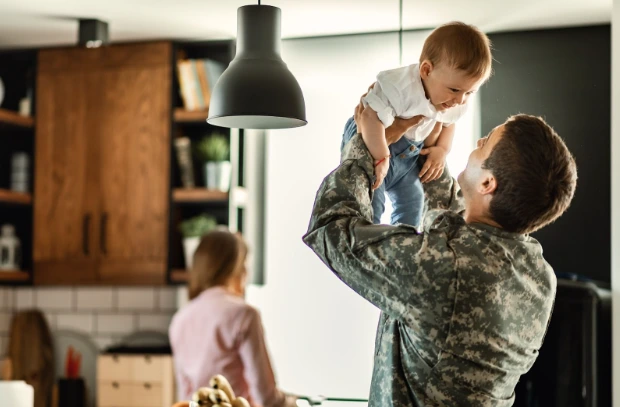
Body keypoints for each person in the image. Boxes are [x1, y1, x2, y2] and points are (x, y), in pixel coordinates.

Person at [304, 101, 577, 405]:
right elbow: (454, 223)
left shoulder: (447, 269)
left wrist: (364, 145)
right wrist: (426, 151)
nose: (477, 143)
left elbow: (331, 229)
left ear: (488, 183)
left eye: (485, 144)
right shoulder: (537, 275)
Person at [341, 21, 492, 228]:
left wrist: (442, 149)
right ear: (427, 70)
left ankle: (403, 242)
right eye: (455, 90)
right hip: (374, 140)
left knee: (414, 203)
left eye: (469, 92)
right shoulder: (400, 87)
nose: (460, 100)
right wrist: (380, 157)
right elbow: (367, 118)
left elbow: (449, 122)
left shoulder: (452, 99)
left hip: (409, 158)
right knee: (372, 202)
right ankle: (370, 241)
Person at [169, 228, 296, 407]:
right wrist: (291, 402)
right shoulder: (244, 315)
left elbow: (186, 395)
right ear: (237, 268)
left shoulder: (179, 320)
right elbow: (266, 398)